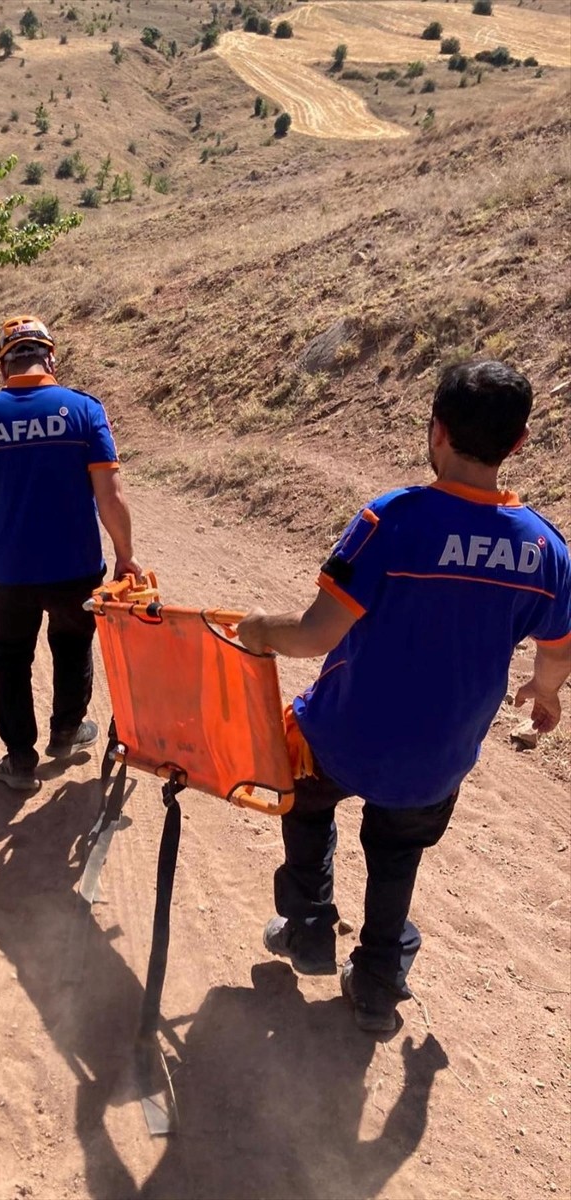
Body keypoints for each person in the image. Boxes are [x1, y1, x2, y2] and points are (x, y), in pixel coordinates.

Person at [237, 359, 571, 1033]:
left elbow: (316, 633)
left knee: (304, 800)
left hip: (341, 733)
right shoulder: (545, 549)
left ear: (436, 429)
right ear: (519, 442)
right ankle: (378, 983)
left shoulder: (391, 518)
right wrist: (545, 690)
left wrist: (259, 630)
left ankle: (308, 926)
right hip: (436, 758)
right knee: (396, 855)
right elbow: (558, 651)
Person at [0, 314, 142, 791]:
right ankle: (66, 732)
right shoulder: (84, 410)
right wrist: (125, 555)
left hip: (10, 572)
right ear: (51, 360)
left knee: (10, 659)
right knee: (72, 645)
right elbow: (111, 496)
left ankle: (20, 761)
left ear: (5, 368)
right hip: (77, 567)